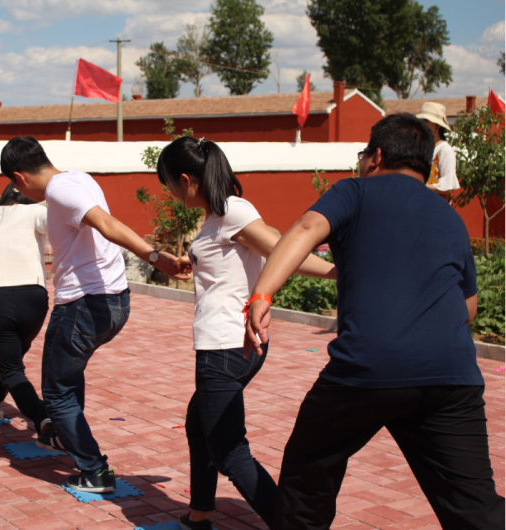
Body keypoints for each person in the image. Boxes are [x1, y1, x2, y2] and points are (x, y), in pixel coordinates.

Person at [246, 113, 504, 530]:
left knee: (307, 480)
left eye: (363, 153)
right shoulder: (450, 218)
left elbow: (307, 227)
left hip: (366, 370)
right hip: (451, 377)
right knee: (474, 507)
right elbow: (468, 306)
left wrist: (262, 294)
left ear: (376, 156)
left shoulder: (355, 192)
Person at [155, 137, 335, 530]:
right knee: (198, 422)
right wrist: (194, 261)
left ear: (185, 180)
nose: (169, 193)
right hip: (227, 343)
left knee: (229, 448)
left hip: (225, 346)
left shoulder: (234, 211)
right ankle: (199, 515)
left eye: (168, 184)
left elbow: (281, 248)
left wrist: (339, 273)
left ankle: (290, 524)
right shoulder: (219, 216)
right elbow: (233, 257)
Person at [0, 136, 184, 493]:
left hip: (83, 305)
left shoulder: (59, 191)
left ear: (19, 178)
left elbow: (106, 224)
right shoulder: (80, 178)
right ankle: (65, 438)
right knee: (69, 377)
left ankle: (94, 470)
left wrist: (155, 256)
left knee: (56, 392)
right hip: (114, 301)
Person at [0, 183, 53, 435]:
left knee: (11, 367)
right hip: (34, 296)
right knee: (11, 359)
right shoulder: (36, 212)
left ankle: (41, 415)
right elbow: (58, 223)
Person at [416, 102, 459, 202]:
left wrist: (419, 186)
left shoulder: (445, 150)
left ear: (437, 126)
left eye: (427, 121)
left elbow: (448, 187)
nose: (423, 124)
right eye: (421, 120)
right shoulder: (420, 148)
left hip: (436, 209)